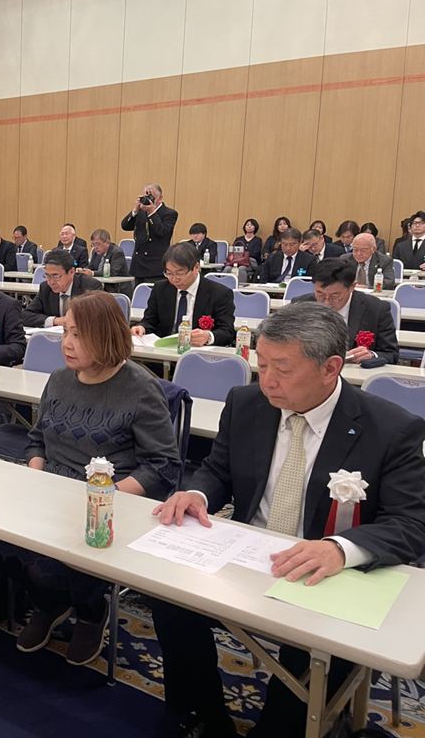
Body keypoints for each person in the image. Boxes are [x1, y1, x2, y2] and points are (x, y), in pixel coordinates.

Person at [150, 303, 425, 738]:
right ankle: (202, 714)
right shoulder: (246, 403)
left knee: (314, 652)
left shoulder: (391, 429)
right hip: (246, 553)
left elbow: (410, 525)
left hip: (323, 572)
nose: (267, 381)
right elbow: (218, 471)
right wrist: (197, 495)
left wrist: (339, 549)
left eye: (282, 368)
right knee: (168, 594)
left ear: (330, 368)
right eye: (261, 365)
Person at [0, 292, 180, 666]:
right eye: (65, 332)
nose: (67, 343)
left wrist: (102, 496)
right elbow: (37, 438)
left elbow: (163, 466)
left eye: (78, 334)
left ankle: (91, 611)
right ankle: (49, 602)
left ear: (105, 336)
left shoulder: (140, 388)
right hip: (51, 493)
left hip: (105, 503)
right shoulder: (60, 379)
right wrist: (35, 477)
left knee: (57, 561)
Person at [292, 258, 398, 364]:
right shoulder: (300, 306)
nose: (326, 302)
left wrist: (371, 355)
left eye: (335, 295)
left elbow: (391, 354)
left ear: (352, 287)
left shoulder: (375, 308)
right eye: (320, 294)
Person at [130, 242, 236, 347]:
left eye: (180, 273)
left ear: (196, 267)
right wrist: (142, 328)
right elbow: (149, 321)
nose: (174, 279)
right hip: (163, 350)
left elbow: (227, 332)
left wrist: (208, 336)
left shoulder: (219, 293)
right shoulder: (160, 289)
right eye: (169, 273)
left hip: (199, 351)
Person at [23, 251, 102, 328]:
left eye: (56, 276)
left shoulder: (90, 287)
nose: (51, 282)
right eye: (47, 276)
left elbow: (94, 319)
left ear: (71, 272)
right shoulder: (46, 288)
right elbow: (25, 316)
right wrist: (56, 321)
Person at [121, 183, 179, 285]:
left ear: (160, 198)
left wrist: (152, 212)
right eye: (146, 196)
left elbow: (162, 231)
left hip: (155, 266)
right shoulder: (141, 212)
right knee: (139, 293)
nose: (148, 199)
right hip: (139, 265)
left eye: (152, 196)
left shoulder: (169, 213)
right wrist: (134, 211)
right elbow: (125, 226)